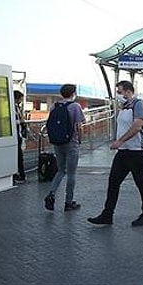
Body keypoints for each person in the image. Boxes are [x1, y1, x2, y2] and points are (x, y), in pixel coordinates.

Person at [88, 80, 143, 227]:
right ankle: (107, 214)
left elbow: (137, 126)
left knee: (141, 183)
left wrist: (120, 141)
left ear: (128, 91)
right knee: (113, 182)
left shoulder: (139, 105)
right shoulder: (124, 107)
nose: (118, 95)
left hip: (137, 151)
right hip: (124, 151)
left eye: (119, 91)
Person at [44, 84, 85, 212]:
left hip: (57, 142)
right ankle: (68, 202)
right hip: (71, 143)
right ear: (73, 94)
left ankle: (51, 194)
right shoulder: (75, 106)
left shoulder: (54, 106)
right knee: (71, 173)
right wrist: (80, 140)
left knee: (61, 170)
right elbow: (79, 126)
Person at [13, 90, 28, 183]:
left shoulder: (15, 107)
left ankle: (20, 174)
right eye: (20, 99)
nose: (21, 101)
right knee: (19, 156)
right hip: (16, 135)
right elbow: (20, 120)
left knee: (18, 156)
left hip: (16, 135)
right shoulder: (15, 107)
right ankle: (21, 175)